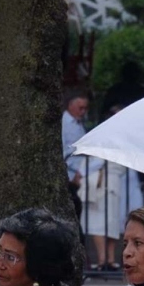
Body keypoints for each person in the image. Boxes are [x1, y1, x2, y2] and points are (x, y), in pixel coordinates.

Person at [62, 91, 89, 220]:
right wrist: (73, 174)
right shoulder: (64, 124)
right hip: (71, 175)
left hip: (81, 172)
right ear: (70, 106)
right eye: (80, 108)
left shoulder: (78, 123)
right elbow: (63, 152)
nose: (83, 112)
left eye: (85, 108)